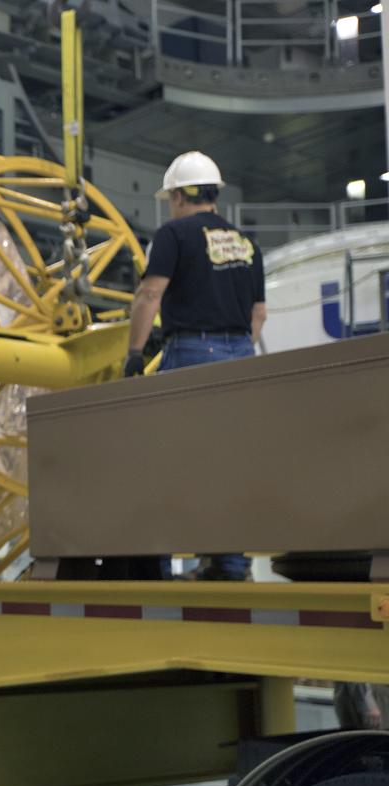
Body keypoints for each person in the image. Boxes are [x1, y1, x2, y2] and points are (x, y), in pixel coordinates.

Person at [124, 151, 266, 581]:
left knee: (170, 458)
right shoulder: (245, 243)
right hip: (242, 353)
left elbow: (150, 295)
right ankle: (230, 562)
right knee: (228, 461)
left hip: (191, 352)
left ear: (181, 195)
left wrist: (135, 353)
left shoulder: (174, 235)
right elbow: (259, 314)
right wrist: (234, 347)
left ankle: (160, 564)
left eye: (170, 197)